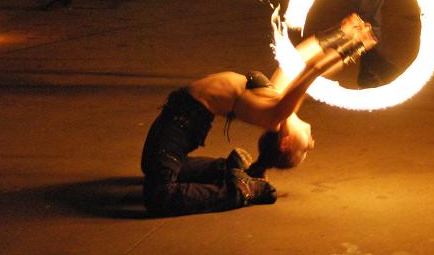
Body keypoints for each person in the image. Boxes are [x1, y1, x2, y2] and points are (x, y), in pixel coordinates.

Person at [140, 14, 376, 217]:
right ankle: (233, 176)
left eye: (303, 150)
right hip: (175, 128)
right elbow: (300, 60)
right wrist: (341, 34)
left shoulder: (278, 114)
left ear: (285, 143)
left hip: (176, 131)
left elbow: (313, 70)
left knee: (158, 197)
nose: (312, 144)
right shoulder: (279, 100)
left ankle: (240, 186)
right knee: (155, 176)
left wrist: (353, 46)